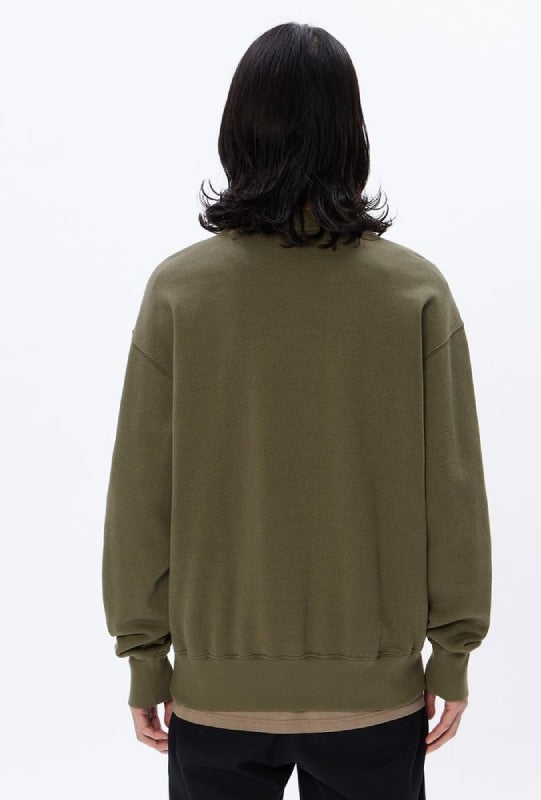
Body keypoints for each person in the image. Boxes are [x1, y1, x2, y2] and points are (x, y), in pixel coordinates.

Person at [102, 21, 492, 800]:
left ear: (237, 133)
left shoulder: (179, 293)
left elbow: (140, 497)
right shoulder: (414, 292)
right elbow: (453, 494)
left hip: (215, 696)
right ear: (352, 136)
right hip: (374, 698)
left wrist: (146, 660)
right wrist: (451, 655)